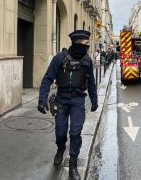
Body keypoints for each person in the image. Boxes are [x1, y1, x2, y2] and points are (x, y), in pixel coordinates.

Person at [37, 30, 98, 180]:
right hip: (61, 100)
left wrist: (94, 100)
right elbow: (47, 79)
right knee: (60, 133)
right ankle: (60, 147)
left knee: (76, 132)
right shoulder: (60, 58)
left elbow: (91, 82)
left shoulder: (87, 61)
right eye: (85, 44)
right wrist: (42, 99)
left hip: (78, 100)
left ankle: (73, 165)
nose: (87, 46)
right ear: (77, 43)